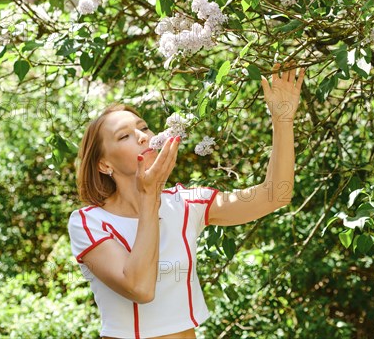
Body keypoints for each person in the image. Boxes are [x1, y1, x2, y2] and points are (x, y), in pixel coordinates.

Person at [68, 60, 305, 339]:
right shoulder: (88, 222)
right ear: (104, 165)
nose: (143, 137)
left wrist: (283, 119)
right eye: (124, 136)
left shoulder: (185, 203)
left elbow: (276, 195)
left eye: (144, 128)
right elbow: (140, 288)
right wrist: (150, 197)